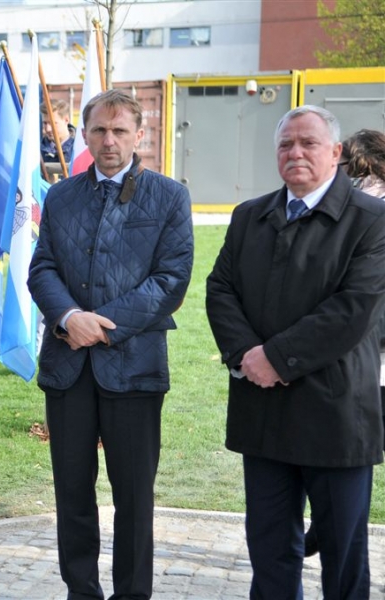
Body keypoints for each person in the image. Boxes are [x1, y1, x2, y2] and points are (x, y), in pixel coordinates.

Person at [206, 106, 385, 599]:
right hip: (264, 413)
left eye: (309, 143)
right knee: (269, 552)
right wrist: (248, 355)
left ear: (336, 152)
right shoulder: (250, 216)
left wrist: (275, 359)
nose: (296, 152)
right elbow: (220, 289)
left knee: (343, 556)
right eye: (286, 144)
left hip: (336, 413)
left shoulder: (372, 220)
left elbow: (353, 309)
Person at [27, 88, 194, 600]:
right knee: (72, 493)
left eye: (120, 131)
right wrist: (68, 317)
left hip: (135, 369)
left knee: (134, 498)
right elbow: (42, 268)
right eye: (99, 130)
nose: (109, 141)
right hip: (68, 368)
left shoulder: (169, 196)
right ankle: (81, 591)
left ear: (138, 135)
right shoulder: (61, 196)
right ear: (84, 134)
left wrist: (101, 326)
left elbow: (170, 281)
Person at [304, 127, 385, 559]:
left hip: (361, 360)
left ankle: (328, 532)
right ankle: (328, 531)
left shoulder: (360, 209)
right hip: (359, 359)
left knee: (346, 459)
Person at [40, 98, 75, 179]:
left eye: (53, 123)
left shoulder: (80, 149)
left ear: (66, 120)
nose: (48, 129)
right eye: (45, 123)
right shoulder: (35, 151)